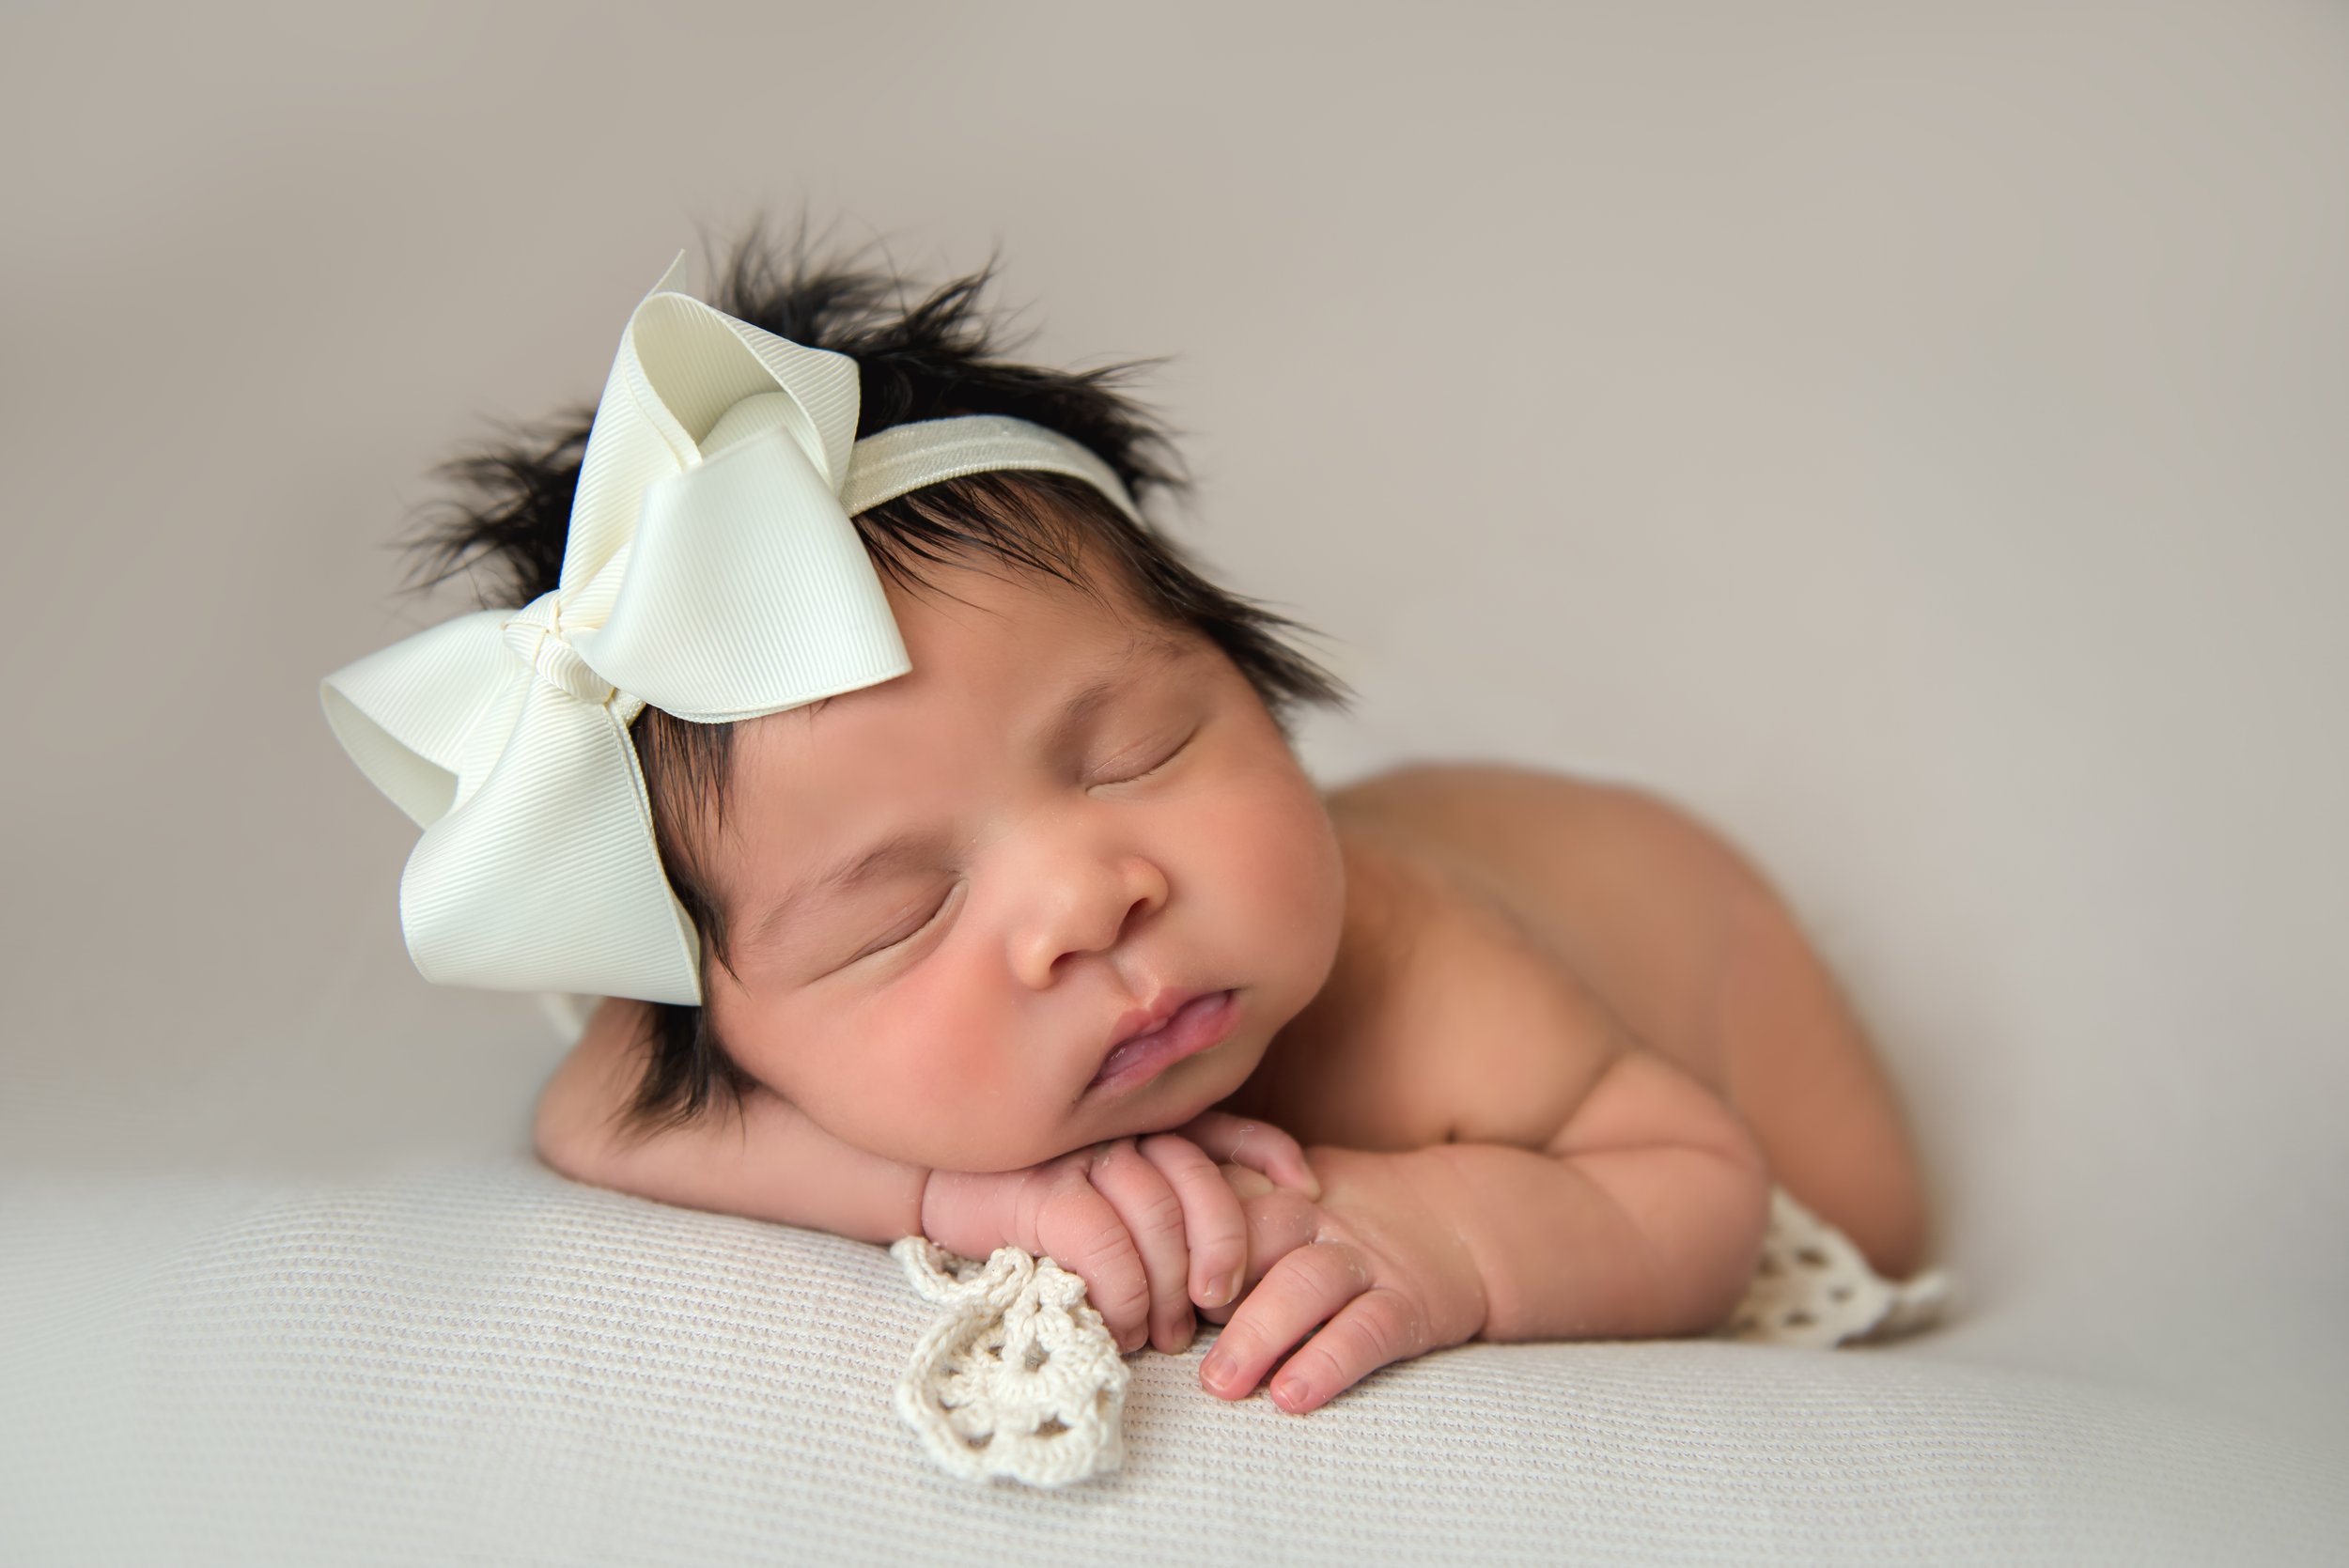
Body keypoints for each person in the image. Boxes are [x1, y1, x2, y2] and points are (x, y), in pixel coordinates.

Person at [323, 220, 1933, 1419]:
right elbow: (598, 1105)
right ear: (730, 1023)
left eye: (1139, 750)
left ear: (1259, 686)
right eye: (896, 913)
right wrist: (967, 1197)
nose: (1088, 899)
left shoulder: (1421, 971)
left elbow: (1693, 1179)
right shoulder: (689, 1050)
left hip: (1698, 948)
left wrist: (1453, 1232)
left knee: (1869, 1223)